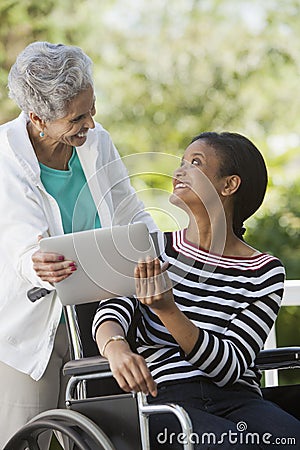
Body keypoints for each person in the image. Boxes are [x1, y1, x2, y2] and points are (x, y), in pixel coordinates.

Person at [93, 132, 300, 449]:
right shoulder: (152, 247)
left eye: (195, 163)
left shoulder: (265, 271)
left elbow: (229, 368)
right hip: (165, 398)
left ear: (228, 185)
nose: (179, 171)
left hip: (238, 399)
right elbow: (111, 311)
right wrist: (116, 348)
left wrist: (168, 311)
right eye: (181, 162)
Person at [0, 41, 157, 448]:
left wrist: (158, 251)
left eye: (91, 109)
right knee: (25, 436)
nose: (89, 124)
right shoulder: (4, 155)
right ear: (37, 118)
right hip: (30, 318)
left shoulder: (97, 141)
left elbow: (130, 211)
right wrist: (35, 264)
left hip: (99, 311)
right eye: (76, 118)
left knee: (97, 435)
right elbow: (18, 242)